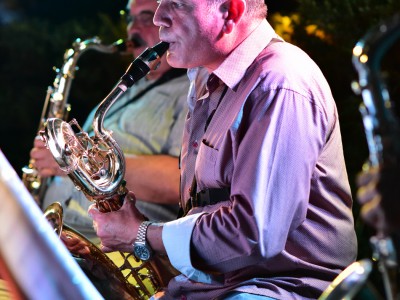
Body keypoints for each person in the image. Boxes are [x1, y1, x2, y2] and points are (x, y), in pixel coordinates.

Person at [89, 0, 358, 298]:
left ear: (230, 11)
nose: (158, 17)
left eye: (175, 4)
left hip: (276, 290)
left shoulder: (279, 82)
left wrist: (142, 235)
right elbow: (209, 219)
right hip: (221, 287)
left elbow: (255, 236)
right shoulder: (208, 79)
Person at [29, 0, 189, 241]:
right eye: (130, 18)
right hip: (54, 226)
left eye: (146, 17)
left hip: (108, 244)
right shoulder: (128, 84)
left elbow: (181, 182)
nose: (133, 29)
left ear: (169, 22)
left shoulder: (191, 91)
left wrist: (74, 162)